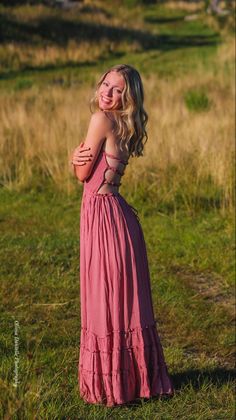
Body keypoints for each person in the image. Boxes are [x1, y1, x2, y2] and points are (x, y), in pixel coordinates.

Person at [71, 64, 174, 407]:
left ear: (127, 98)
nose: (108, 93)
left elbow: (83, 174)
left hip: (102, 218)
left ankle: (109, 386)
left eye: (117, 90)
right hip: (119, 217)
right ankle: (133, 380)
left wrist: (74, 159)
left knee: (105, 301)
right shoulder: (124, 126)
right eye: (106, 84)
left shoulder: (101, 119)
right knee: (123, 304)